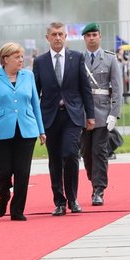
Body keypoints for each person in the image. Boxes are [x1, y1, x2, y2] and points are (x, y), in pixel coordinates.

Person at [33, 21, 94, 216]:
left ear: (65, 37)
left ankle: (73, 198)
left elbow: (85, 88)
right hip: (49, 117)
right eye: (54, 34)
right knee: (55, 160)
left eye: (61, 34)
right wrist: (36, 122)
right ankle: (59, 201)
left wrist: (90, 115)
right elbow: (35, 93)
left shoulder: (76, 58)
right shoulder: (40, 62)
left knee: (70, 155)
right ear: (47, 38)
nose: (58, 37)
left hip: (72, 116)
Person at [0, 42, 46, 221]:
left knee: (22, 172)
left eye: (21, 56)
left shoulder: (28, 76)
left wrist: (41, 130)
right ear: (6, 59)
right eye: (17, 57)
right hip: (1, 131)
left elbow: (35, 103)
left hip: (27, 130)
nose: (21, 60)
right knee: (4, 171)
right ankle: (4, 195)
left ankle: (17, 210)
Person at [79, 23, 123, 206]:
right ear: (84, 38)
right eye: (88, 35)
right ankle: (93, 179)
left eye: (94, 34)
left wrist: (114, 113)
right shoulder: (78, 59)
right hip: (81, 113)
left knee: (99, 152)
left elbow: (118, 89)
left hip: (102, 111)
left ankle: (99, 189)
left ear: (100, 36)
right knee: (86, 153)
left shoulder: (110, 59)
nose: (91, 38)